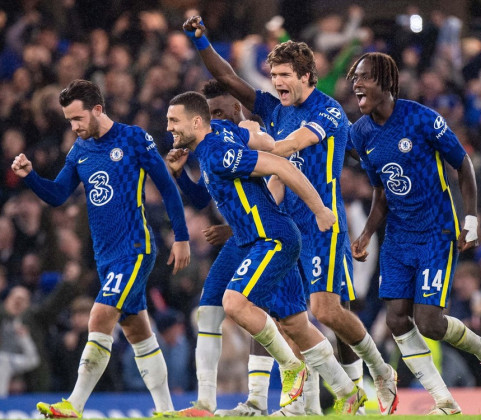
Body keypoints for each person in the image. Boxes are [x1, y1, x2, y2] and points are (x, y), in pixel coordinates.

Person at [183, 16, 398, 416]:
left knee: (326, 311)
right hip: (286, 223)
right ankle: (304, 408)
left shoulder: (329, 111)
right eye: (272, 74)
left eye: (283, 75)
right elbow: (229, 78)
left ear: (306, 75)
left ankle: (381, 369)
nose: (276, 82)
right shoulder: (276, 107)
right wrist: (201, 42)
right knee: (287, 319)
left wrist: (251, 139)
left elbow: (292, 146)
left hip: (321, 222)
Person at [165, 91, 367, 415]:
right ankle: (347, 391)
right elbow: (254, 139)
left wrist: (319, 209)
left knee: (234, 302)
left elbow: (280, 166)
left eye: (174, 121)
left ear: (197, 121)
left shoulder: (217, 152)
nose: (169, 128)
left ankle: (289, 370)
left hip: (271, 239)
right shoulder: (220, 137)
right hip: (262, 238)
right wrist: (256, 136)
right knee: (294, 323)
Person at [11, 79, 191, 418]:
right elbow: (58, 195)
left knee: (99, 315)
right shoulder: (80, 150)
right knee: (137, 330)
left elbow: (167, 187)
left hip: (135, 247)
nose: (74, 127)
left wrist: (181, 237)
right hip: (106, 255)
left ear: (97, 109)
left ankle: (74, 405)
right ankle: (167, 410)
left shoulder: (133, 138)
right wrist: (30, 176)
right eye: (69, 121)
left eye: (78, 118)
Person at [346, 52, 481, 415]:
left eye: (365, 77)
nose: (356, 83)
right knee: (395, 318)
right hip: (398, 237)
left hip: (436, 230)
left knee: (430, 323)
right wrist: (368, 234)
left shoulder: (421, 119)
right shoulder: (360, 133)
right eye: (354, 77)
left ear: (386, 83)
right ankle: (444, 401)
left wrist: (471, 220)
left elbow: (462, 164)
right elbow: (381, 192)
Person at [165, 80, 281, 416]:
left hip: (273, 233)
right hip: (242, 238)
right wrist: (180, 175)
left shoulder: (246, 134)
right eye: (209, 112)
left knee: (287, 318)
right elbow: (204, 196)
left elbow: (278, 173)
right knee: (210, 312)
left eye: (218, 111)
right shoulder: (214, 146)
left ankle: (305, 385)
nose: (215, 118)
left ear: (236, 106)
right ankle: (206, 402)